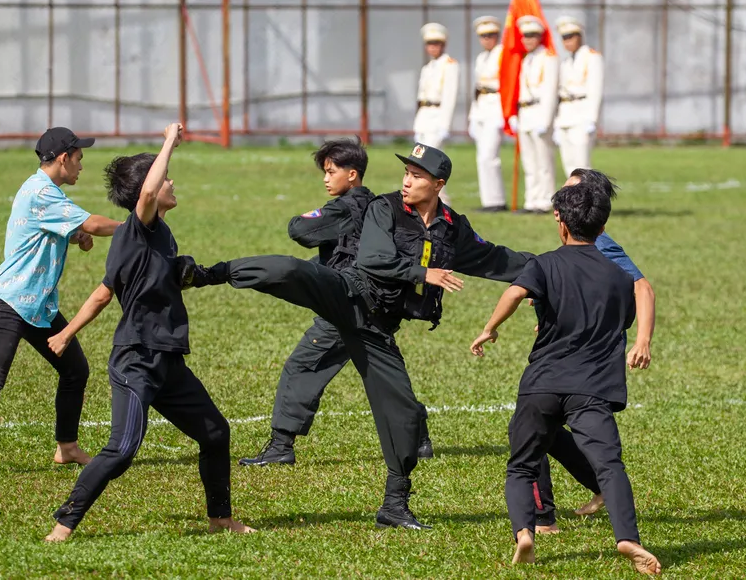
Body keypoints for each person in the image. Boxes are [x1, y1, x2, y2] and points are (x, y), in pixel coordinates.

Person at [212, 144, 530, 529]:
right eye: (406, 173)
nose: (406, 180)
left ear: (438, 184)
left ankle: (394, 506)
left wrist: (547, 271)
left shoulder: (451, 226)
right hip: (348, 297)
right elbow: (372, 258)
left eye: (416, 175)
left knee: (401, 414)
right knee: (291, 274)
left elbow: (495, 257)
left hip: (378, 328)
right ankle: (208, 273)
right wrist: (422, 273)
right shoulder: (384, 207)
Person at [42, 124, 252, 542]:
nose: (172, 182)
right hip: (136, 360)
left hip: (167, 360)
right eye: (164, 175)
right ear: (148, 191)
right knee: (121, 450)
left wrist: (66, 334)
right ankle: (65, 521)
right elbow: (148, 195)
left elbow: (104, 293)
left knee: (215, 432)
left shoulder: (155, 236)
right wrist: (169, 141)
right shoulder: (138, 227)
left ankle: (220, 517)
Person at [470, 173, 660, 574]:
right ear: (602, 226)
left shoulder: (544, 264)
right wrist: (639, 339)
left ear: (561, 222)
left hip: (542, 384)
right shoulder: (617, 277)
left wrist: (491, 327)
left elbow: (515, 292)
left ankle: (525, 532)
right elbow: (625, 313)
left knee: (522, 463)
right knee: (610, 467)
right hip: (592, 389)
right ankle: (627, 538)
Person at [239, 139, 436, 467]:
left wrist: (314, 221)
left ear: (353, 174)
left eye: (332, 172)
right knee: (384, 374)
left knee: (304, 365)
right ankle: (418, 436)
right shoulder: (378, 205)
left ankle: (280, 446)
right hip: (379, 308)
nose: (326, 179)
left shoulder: (349, 206)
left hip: (346, 304)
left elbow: (300, 229)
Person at [0, 127, 120, 481]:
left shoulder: (46, 192)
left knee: (75, 370)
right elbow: (94, 223)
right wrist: (136, 225)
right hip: (9, 303)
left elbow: (64, 230)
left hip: (38, 307)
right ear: (64, 158)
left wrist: (77, 238)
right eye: (80, 159)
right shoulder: (41, 191)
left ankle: (67, 447)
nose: (82, 166)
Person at [533, 168, 655, 533]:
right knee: (544, 427)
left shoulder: (601, 243)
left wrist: (642, 341)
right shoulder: (577, 241)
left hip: (590, 358)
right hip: (571, 351)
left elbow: (643, 288)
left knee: (535, 425)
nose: (560, 196)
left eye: (570, 190)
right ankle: (600, 489)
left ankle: (542, 519)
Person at [513, 15, 559, 214]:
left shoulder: (548, 58)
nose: (528, 40)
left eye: (532, 36)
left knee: (544, 160)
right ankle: (531, 199)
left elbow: (550, 90)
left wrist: (546, 119)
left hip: (540, 112)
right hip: (526, 113)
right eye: (525, 36)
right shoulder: (527, 60)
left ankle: (545, 199)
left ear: (539, 37)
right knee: (529, 162)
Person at [414, 22, 459, 205]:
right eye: (430, 43)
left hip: (438, 117)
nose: (433, 47)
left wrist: (445, 124)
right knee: (420, 162)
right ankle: (430, 200)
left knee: (431, 163)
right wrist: (417, 124)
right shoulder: (428, 68)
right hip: (425, 116)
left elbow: (450, 96)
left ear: (443, 44)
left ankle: (442, 201)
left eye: (437, 43)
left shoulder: (449, 65)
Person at [553, 16, 604, 176]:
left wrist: (592, 118)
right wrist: (556, 122)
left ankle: (587, 200)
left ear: (579, 36)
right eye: (564, 38)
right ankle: (575, 200)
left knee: (582, 165)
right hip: (565, 116)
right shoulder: (566, 62)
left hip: (582, 115)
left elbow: (595, 89)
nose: (568, 41)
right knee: (568, 164)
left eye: (571, 36)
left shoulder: (592, 57)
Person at [469, 15, 507, 212]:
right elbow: (477, 88)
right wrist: (472, 117)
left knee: (489, 156)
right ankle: (488, 200)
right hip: (482, 108)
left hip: (496, 106)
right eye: (483, 36)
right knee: (481, 157)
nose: (487, 39)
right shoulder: (481, 58)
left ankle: (497, 200)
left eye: (491, 35)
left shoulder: (502, 54)